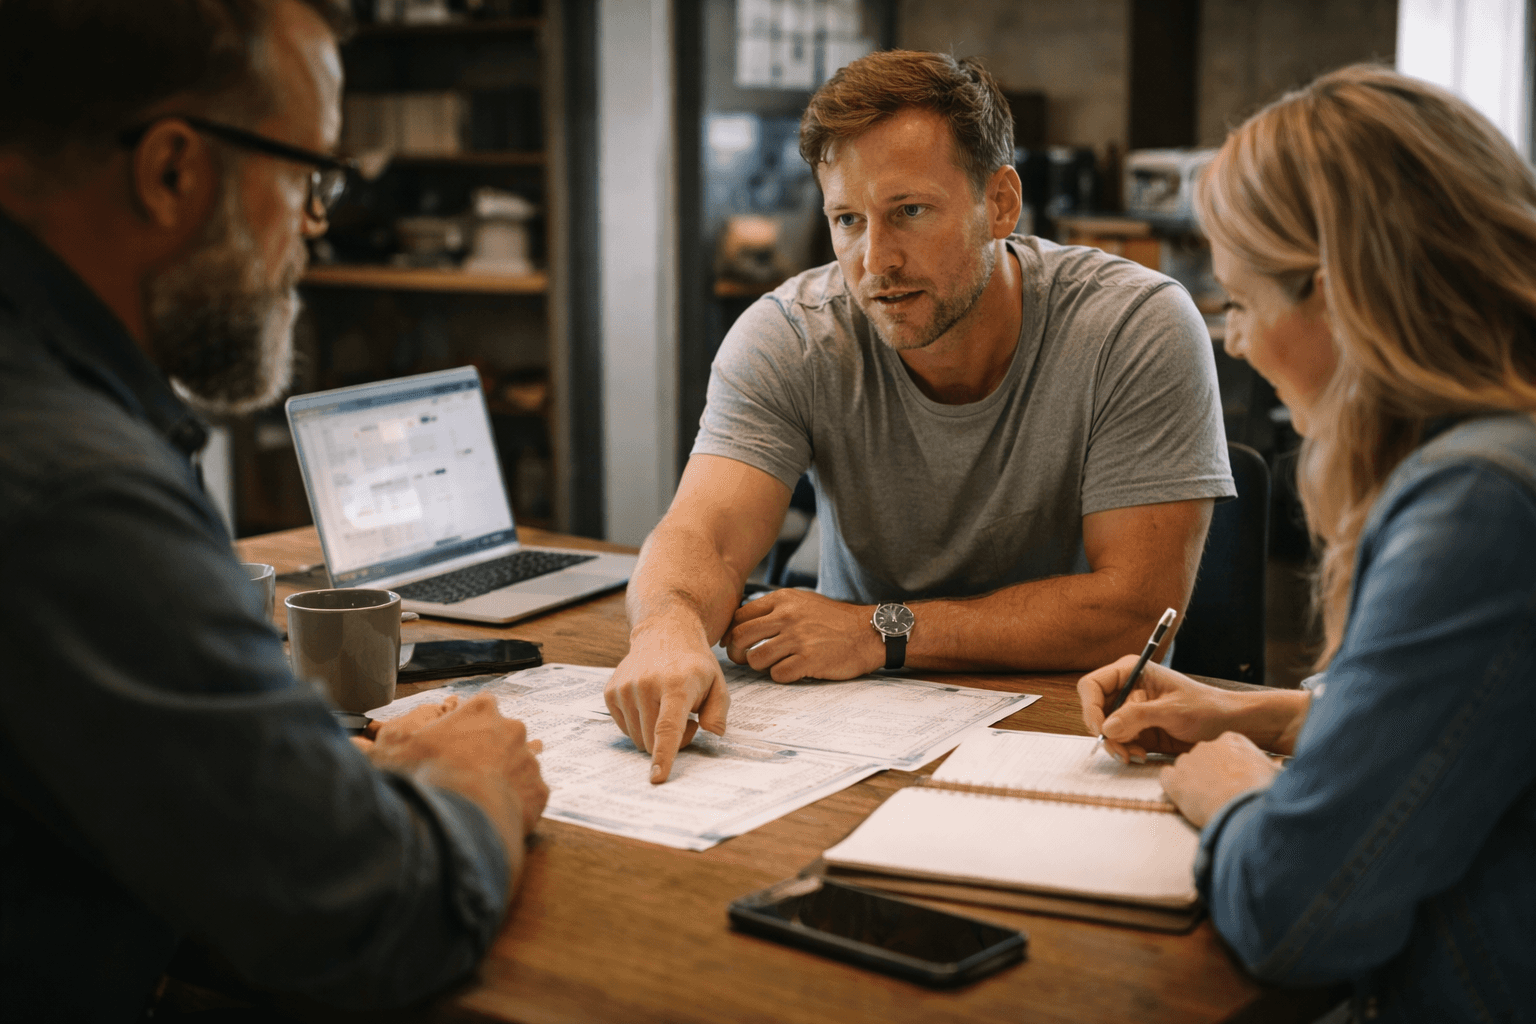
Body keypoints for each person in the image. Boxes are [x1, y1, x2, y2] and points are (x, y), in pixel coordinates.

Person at [0, 1, 548, 1018]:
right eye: (308, 174)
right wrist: (473, 778)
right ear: (171, 171)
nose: (316, 222)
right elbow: (374, 913)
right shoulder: (76, 490)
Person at [607, 50, 1235, 782]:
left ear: (1000, 202)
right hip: (848, 727)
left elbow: (1134, 610)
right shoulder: (791, 335)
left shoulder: (1135, 326)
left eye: (909, 212)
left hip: (1074, 729)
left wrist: (881, 630)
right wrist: (667, 628)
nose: (876, 260)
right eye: (848, 220)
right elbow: (702, 538)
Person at [1077, 64, 1536, 1022]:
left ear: (1334, 295)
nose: (1235, 342)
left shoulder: (1479, 502)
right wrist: (1268, 717)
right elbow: (1481, 719)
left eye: (1240, 304)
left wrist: (1236, 793)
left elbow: (1296, 911)